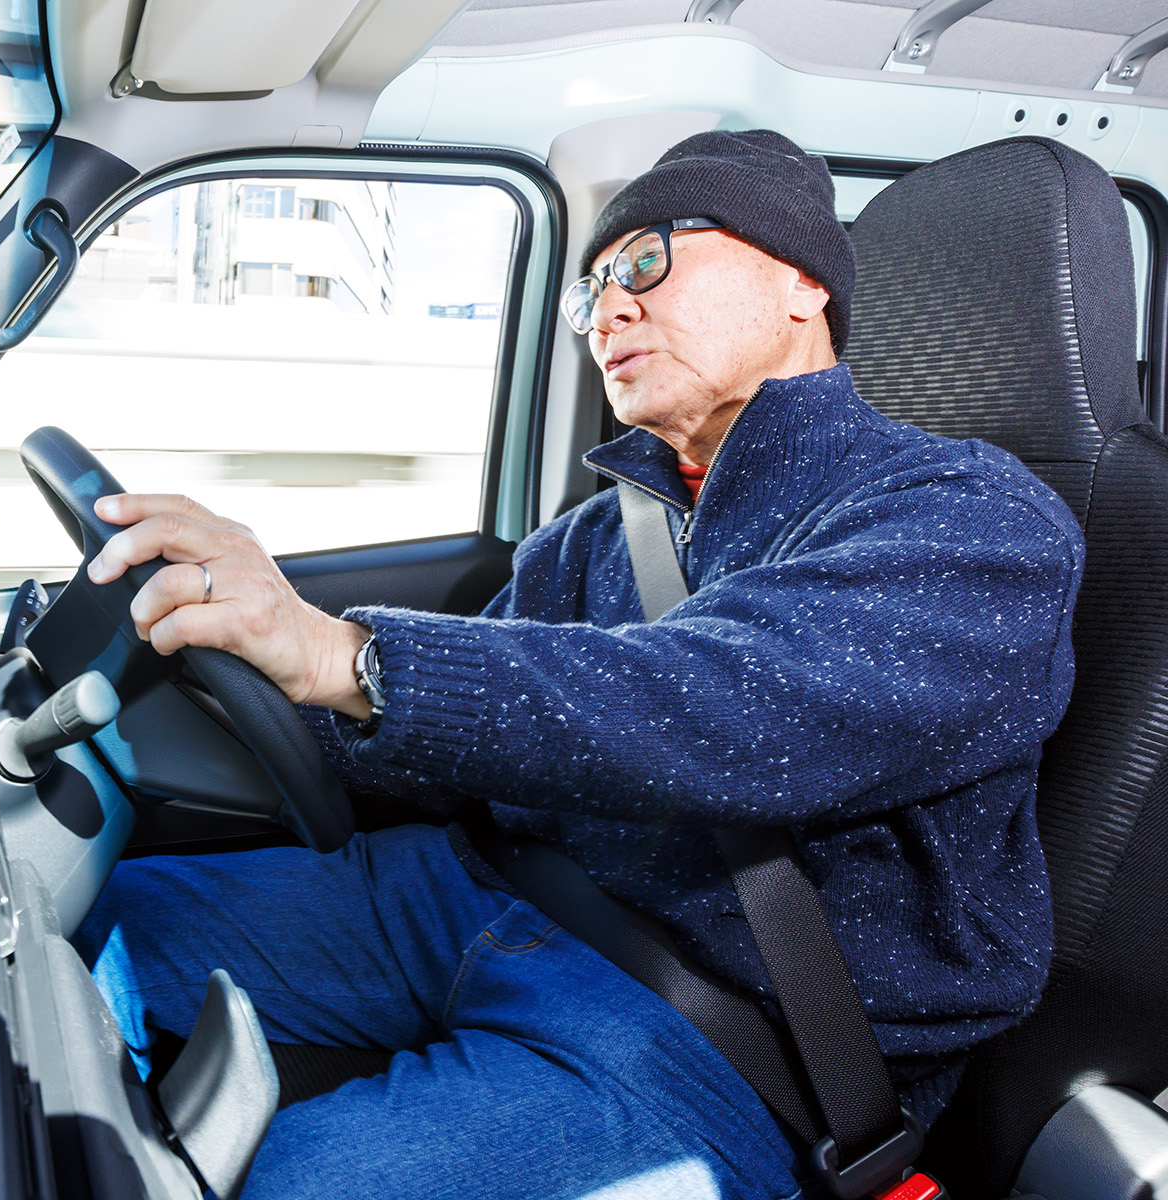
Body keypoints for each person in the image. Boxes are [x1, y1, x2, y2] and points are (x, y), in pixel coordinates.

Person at [69, 130, 1085, 1199]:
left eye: (645, 261)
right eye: (590, 291)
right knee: (69, 928)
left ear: (800, 283)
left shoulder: (972, 521)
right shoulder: (596, 536)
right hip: (475, 893)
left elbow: (724, 708)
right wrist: (218, 655)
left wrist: (345, 655)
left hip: (716, 1034)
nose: (607, 310)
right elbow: (439, 761)